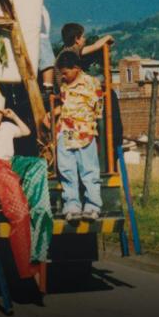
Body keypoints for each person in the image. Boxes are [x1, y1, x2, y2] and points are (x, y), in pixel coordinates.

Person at [0, 83, 50, 282]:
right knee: (19, 212)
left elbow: (26, 132)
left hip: (11, 163)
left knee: (38, 163)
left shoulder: (7, 126)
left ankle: (34, 199)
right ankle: (28, 267)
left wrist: (12, 115)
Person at [50, 51, 104, 222]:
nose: (63, 76)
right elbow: (65, 105)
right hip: (66, 132)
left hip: (85, 132)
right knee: (67, 171)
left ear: (76, 68)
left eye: (66, 72)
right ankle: (72, 206)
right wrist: (53, 114)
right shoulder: (64, 85)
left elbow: (98, 109)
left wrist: (90, 125)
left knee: (89, 169)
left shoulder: (92, 83)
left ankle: (92, 206)